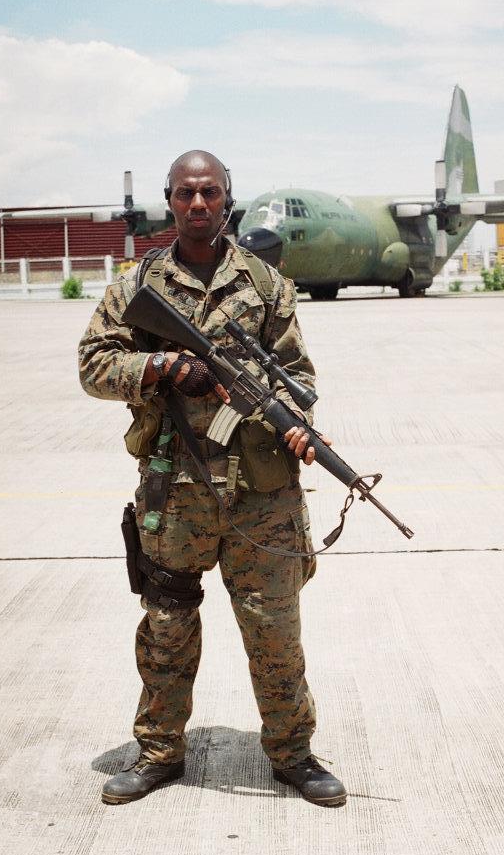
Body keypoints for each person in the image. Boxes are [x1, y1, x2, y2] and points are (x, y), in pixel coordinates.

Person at [78, 150, 346, 807]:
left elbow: (300, 378)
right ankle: (159, 751)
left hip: (261, 495)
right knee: (167, 627)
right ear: (169, 201)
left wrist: (293, 418)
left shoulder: (266, 285)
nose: (198, 204)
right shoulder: (135, 284)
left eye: (210, 193)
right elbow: (92, 365)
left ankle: (292, 754)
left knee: (274, 630)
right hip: (174, 494)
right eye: (185, 193)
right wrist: (163, 368)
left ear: (228, 199)